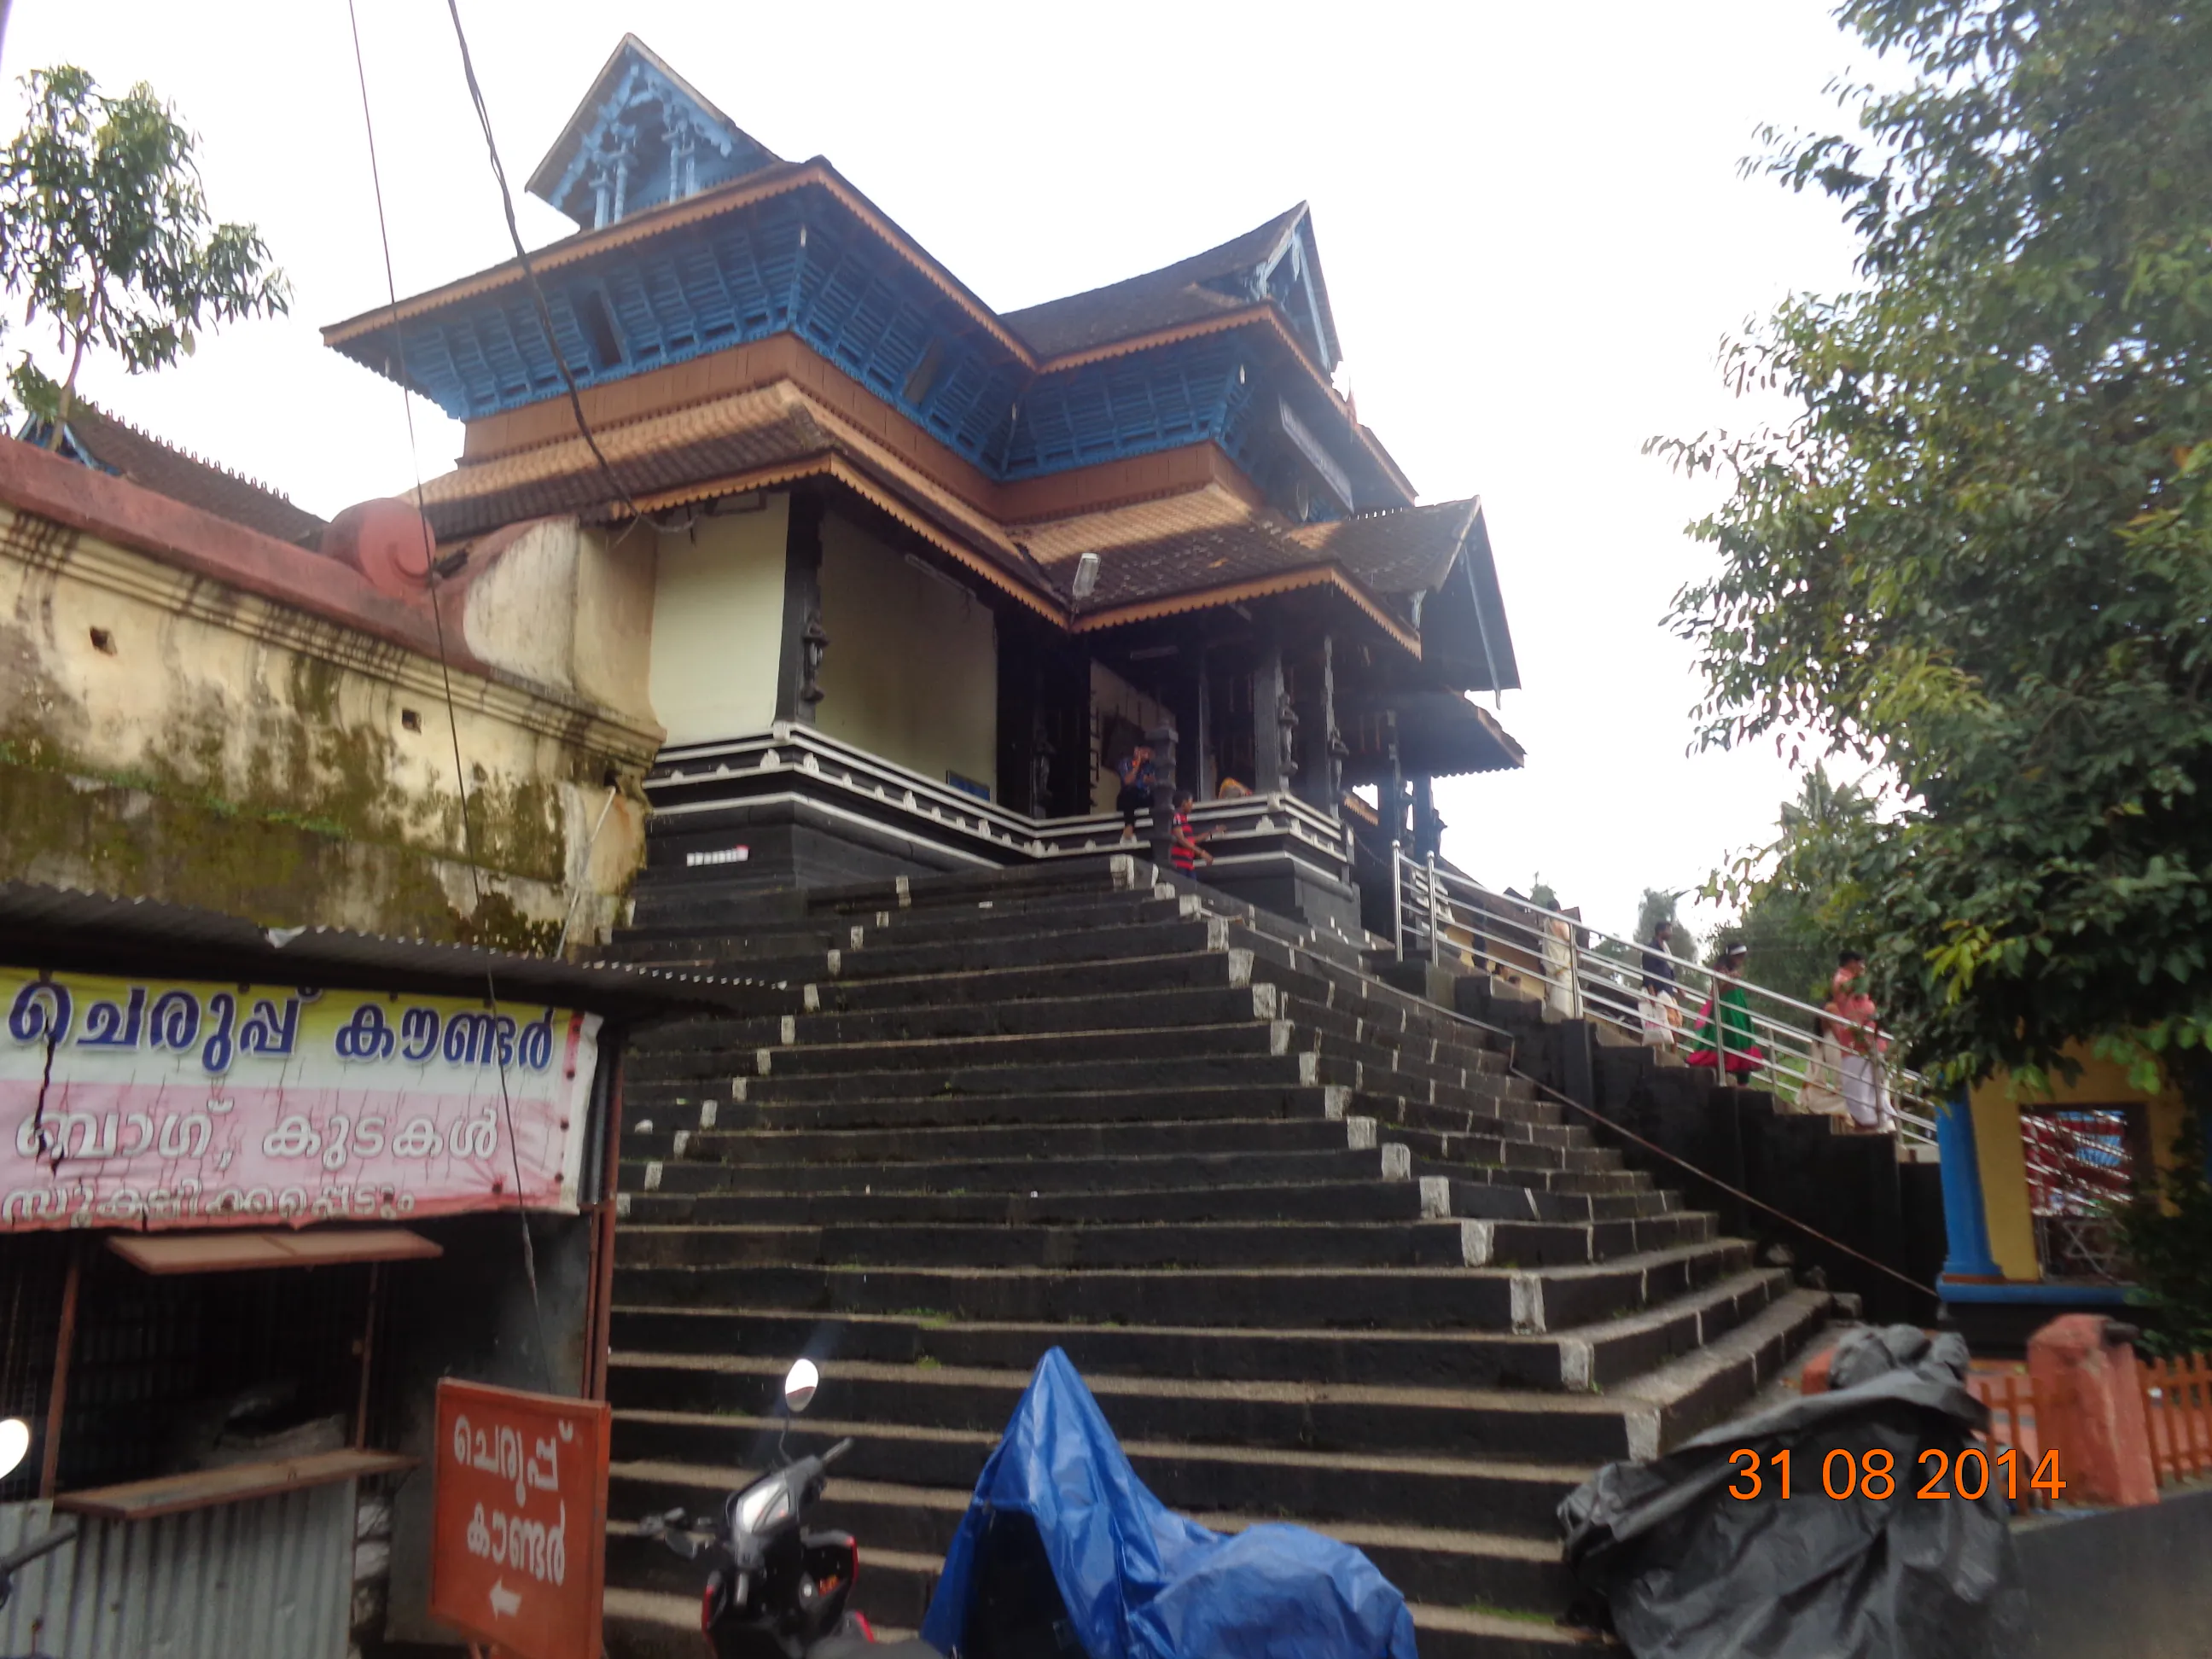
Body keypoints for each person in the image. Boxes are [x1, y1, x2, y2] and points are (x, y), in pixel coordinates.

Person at [1828, 951, 1892, 1131]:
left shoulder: (1857, 980)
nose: (1863, 967)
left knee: (1878, 1085)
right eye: (1861, 963)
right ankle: (1866, 1126)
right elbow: (1849, 991)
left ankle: (1880, 1124)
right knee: (1858, 1089)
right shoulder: (1842, 979)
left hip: (1872, 1040)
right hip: (1856, 1043)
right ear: (1851, 963)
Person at [1687, 942, 1766, 1077]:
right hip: (1726, 1010)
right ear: (1731, 956)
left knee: (1742, 1039)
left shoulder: (1734, 969)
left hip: (1737, 1008)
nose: (1741, 960)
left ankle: (1741, 1079)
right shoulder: (1720, 969)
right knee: (1730, 1038)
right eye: (1738, 956)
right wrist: (1729, 980)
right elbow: (1717, 992)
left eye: (1742, 956)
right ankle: (1725, 1070)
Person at [1638, 920, 1683, 1051]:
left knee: (1677, 1023)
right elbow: (1648, 972)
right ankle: (1660, 1053)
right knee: (1665, 1023)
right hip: (1658, 992)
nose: (1671, 933)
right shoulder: (1651, 948)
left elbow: (1670, 972)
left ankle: (1673, 1054)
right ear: (1660, 932)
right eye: (1668, 930)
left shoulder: (1666, 950)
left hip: (1668, 991)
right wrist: (1652, 995)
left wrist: (1679, 988)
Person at [1114, 742, 1155, 842]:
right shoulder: (1125, 762)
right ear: (1136, 750)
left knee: (1155, 797)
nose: (1147, 755)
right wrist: (1138, 762)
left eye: (1149, 753)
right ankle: (1129, 827)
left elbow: (1152, 780)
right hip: (1127, 800)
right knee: (1130, 792)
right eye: (1145, 751)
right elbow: (1128, 781)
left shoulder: (1149, 766)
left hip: (1142, 798)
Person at [1168, 789, 1214, 875]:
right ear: (1184, 803)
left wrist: (1211, 832)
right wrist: (1202, 853)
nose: (1192, 806)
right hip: (1179, 865)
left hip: (1187, 864)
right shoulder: (1176, 817)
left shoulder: (1183, 820)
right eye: (1191, 802)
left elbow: (1191, 840)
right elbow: (1181, 839)